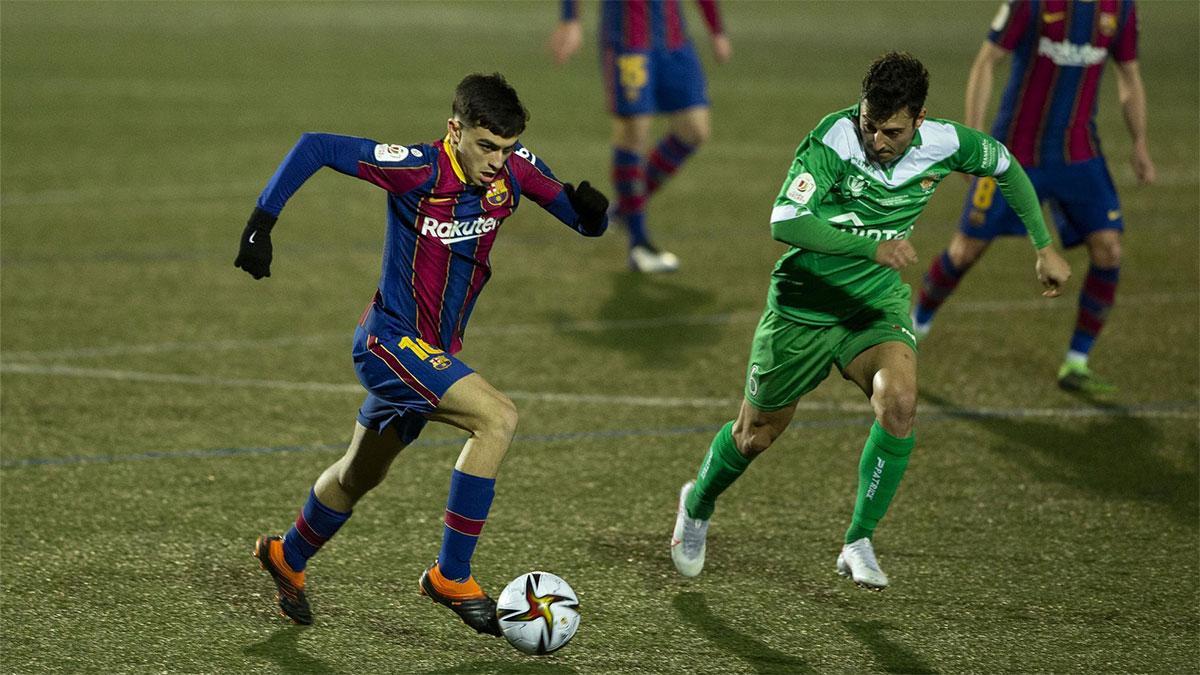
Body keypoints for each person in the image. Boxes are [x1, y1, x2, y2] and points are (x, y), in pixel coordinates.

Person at [670, 52, 1071, 589]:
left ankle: (858, 538)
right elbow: (785, 220)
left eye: (892, 131)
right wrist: (870, 245)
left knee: (901, 401)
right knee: (754, 436)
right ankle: (696, 504)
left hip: (873, 307)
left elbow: (1004, 165)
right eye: (870, 125)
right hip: (804, 307)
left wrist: (1044, 245)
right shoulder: (833, 139)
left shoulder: (946, 143)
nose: (877, 140)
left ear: (919, 120)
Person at [236, 73, 608, 633]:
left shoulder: (514, 170)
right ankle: (449, 576)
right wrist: (261, 223)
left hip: (429, 353)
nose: (495, 162)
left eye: (505, 150)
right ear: (455, 129)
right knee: (497, 418)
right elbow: (316, 145)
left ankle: (287, 556)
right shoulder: (417, 168)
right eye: (485, 146)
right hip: (389, 343)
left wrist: (594, 212)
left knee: (360, 475)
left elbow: (583, 222)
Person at [912, 0, 1155, 394]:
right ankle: (915, 326)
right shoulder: (1032, 4)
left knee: (1109, 250)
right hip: (1015, 153)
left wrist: (1140, 142)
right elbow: (986, 62)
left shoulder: (1120, 9)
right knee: (964, 251)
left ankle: (1077, 361)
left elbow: (1129, 76)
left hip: (1078, 154)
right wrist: (971, 141)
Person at [550, 0, 732, 273]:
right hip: (629, 42)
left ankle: (625, 208)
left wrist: (715, 28)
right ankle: (639, 245)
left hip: (674, 41)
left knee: (695, 130)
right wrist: (571, 19)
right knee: (633, 134)